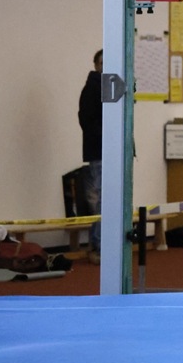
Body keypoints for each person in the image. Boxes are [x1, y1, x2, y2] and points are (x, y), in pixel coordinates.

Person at [77, 49, 103, 264]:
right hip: (100, 151)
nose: (106, 66)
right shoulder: (92, 89)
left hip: (114, 152)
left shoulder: (114, 86)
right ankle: (99, 244)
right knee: (103, 200)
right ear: (96, 65)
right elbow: (86, 120)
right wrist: (106, 136)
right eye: (103, 62)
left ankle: (106, 243)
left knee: (111, 198)